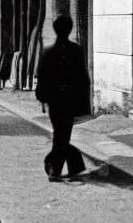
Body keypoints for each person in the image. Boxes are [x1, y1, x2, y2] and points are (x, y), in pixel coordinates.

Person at [35, 16, 91, 182]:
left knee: (60, 134)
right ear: (70, 29)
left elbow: (42, 78)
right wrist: (83, 103)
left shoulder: (48, 51)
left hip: (55, 101)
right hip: (70, 100)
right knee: (63, 135)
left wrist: (42, 97)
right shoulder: (76, 50)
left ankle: (56, 169)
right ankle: (71, 166)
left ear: (55, 29)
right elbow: (83, 78)